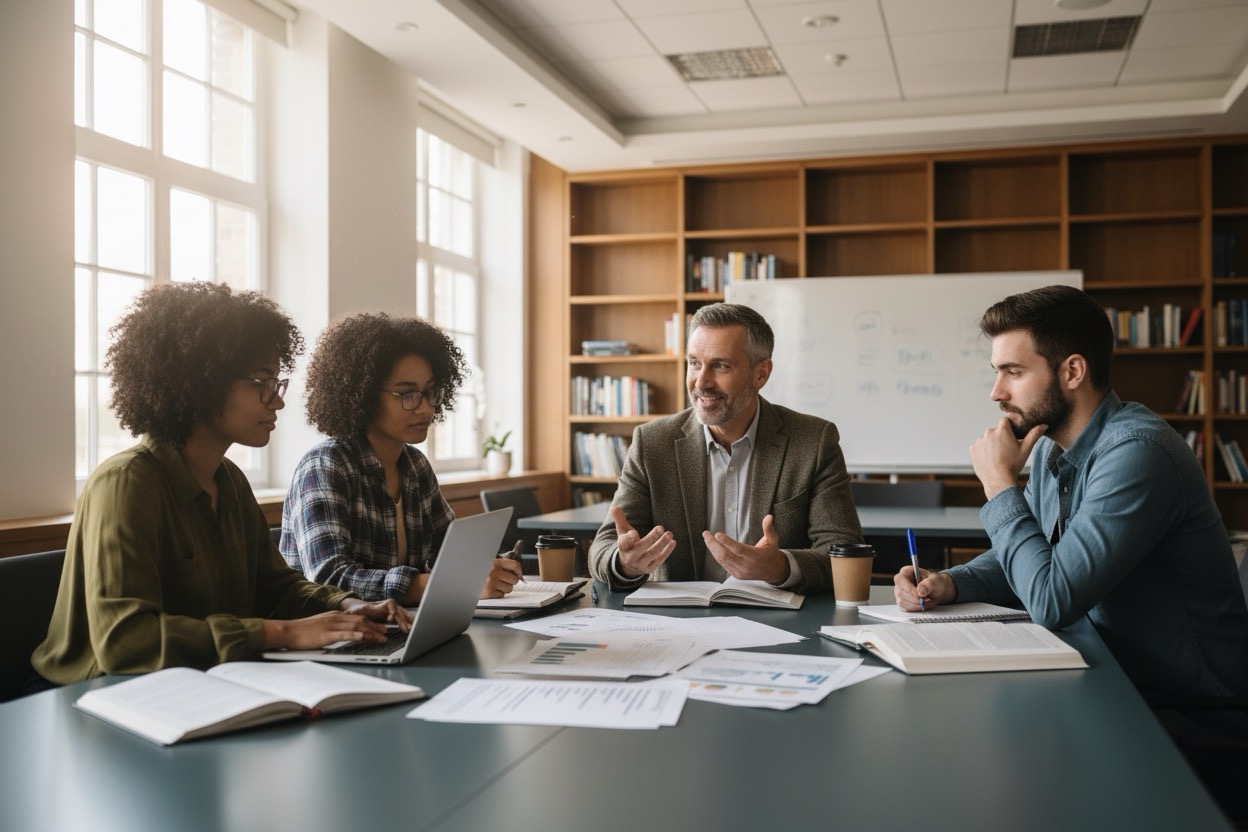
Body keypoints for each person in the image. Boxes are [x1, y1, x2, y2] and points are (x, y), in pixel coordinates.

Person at [33, 282, 409, 686]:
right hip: (94, 693)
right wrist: (282, 633)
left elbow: (274, 587)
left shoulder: (229, 480)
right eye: (262, 382)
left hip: (199, 683)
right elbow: (125, 642)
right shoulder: (125, 484)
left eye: (277, 382)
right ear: (201, 382)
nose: (278, 400)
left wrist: (347, 604)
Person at [895, 284, 1248, 708]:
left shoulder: (1138, 453)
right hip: (1110, 675)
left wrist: (999, 484)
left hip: (1185, 705)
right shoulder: (1052, 448)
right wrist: (951, 583)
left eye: (1013, 372)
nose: (996, 392)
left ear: (1072, 372)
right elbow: (1035, 558)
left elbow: (1051, 600)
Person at [588, 302, 862, 593]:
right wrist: (625, 563)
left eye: (720, 366)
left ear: (761, 374)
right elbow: (603, 548)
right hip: (680, 616)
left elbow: (844, 551)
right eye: (694, 363)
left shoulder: (813, 441)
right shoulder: (652, 443)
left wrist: (781, 567)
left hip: (777, 614)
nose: (701, 382)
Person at [282, 313, 521, 603]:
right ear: (363, 395)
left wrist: (490, 566)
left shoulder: (416, 466)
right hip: (332, 628)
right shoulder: (325, 466)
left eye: (429, 392)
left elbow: (449, 551)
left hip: (405, 622)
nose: (425, 408)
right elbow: (329, 578)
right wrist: (455, 581)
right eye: (407, 394)